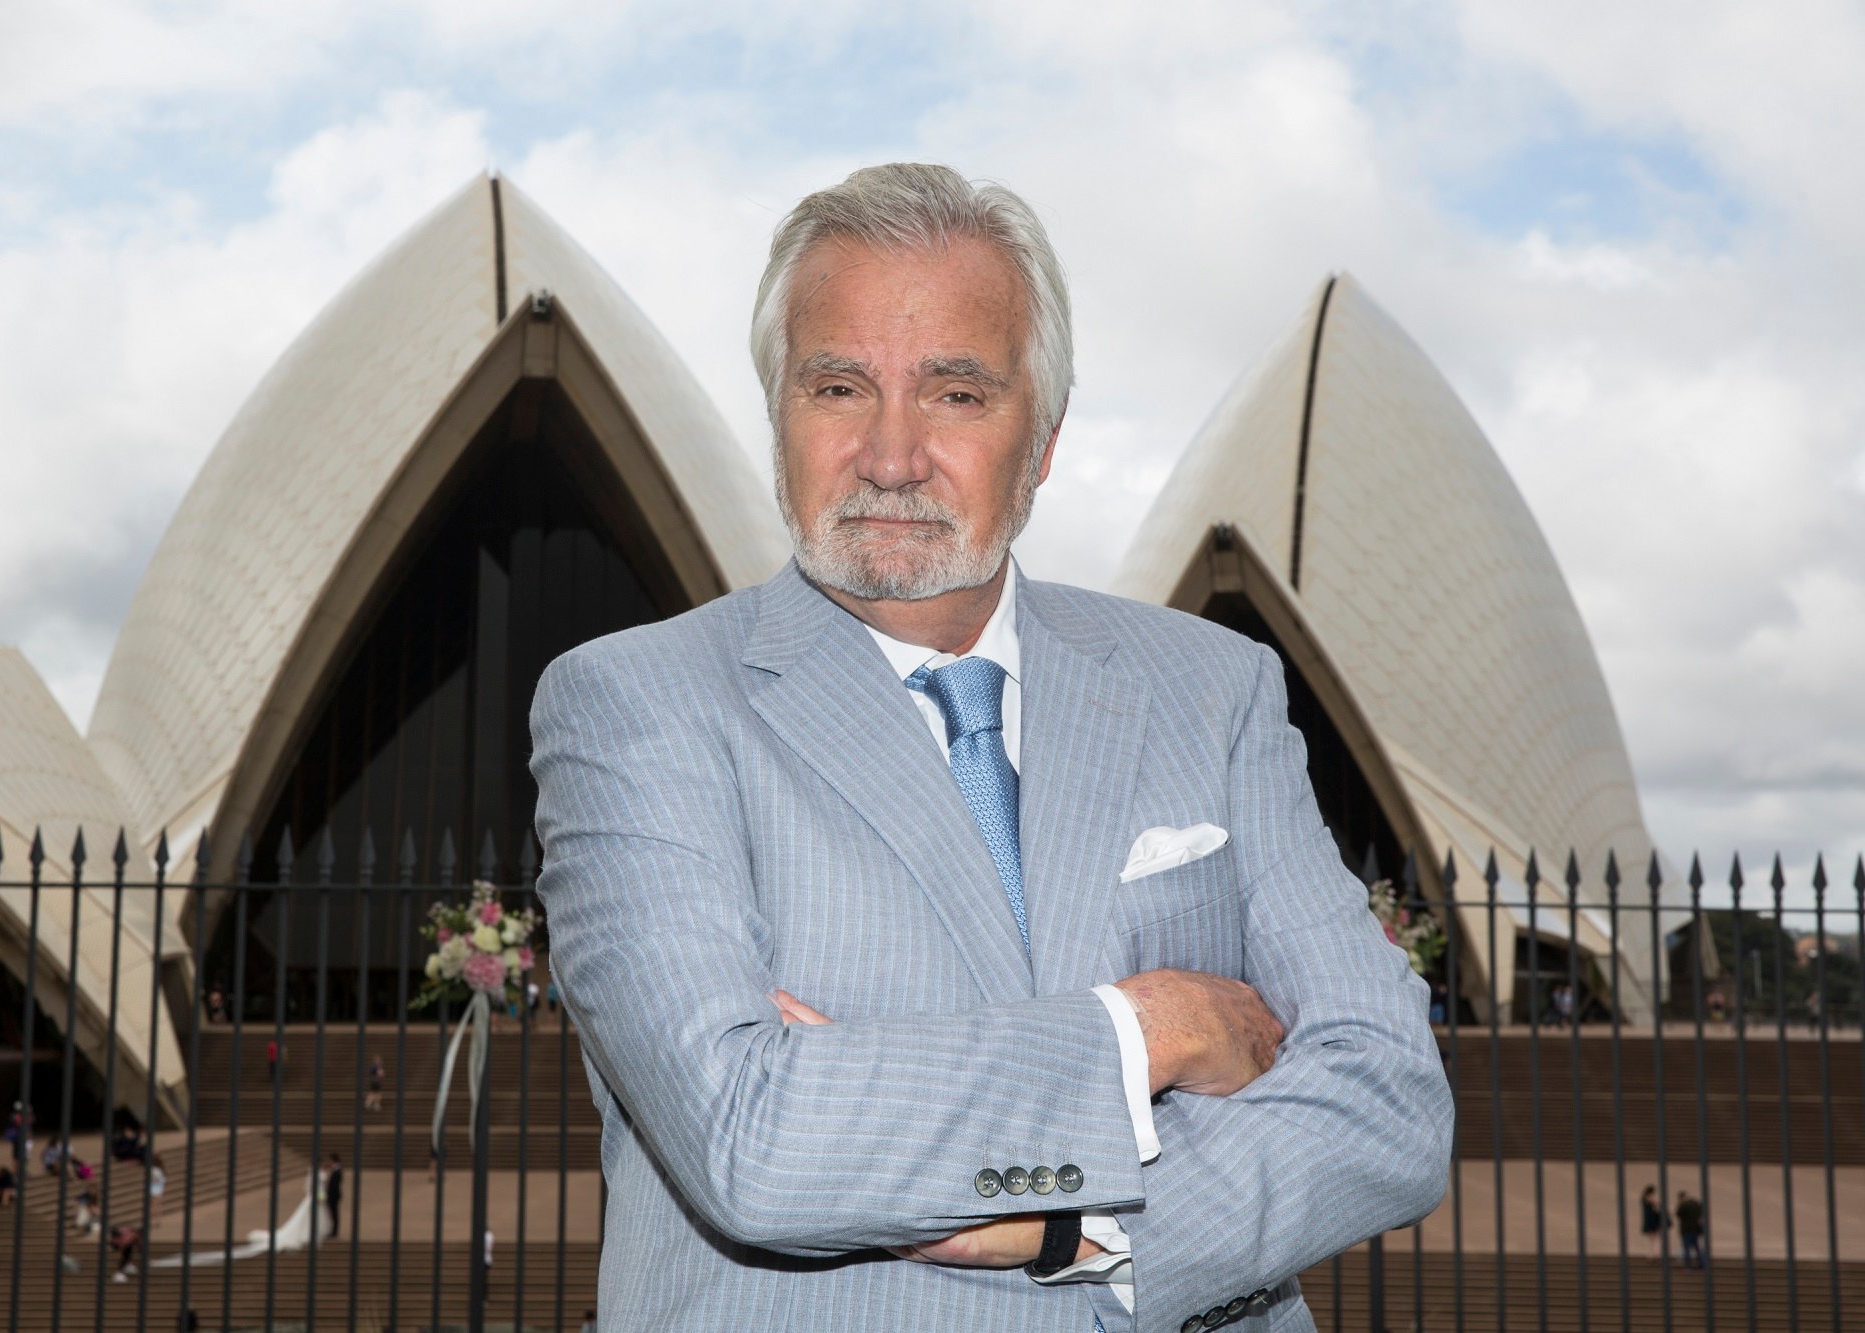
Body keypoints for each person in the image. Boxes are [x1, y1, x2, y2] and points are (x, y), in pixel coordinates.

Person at [529, 163, 1454, 1331]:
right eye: (836, 387)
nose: (891, 453)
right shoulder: (633, 703)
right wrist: (1147, 1031)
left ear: (1044, 439)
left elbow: (1390, 1097)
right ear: (776, 414)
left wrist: (1091, 1232)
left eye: (956, 393)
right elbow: (751, 1139)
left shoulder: (1210, 687)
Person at [1675, 1191, 1707, 1269]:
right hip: (1695, 1229)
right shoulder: (1695, 1203)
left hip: (1686, 1229)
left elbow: (1678, 1214)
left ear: (1681, 1198)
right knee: (1697, 1247)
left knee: (1686, 1248)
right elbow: (1701, 1212)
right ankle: (1701, 1263)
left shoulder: (1683, 1205)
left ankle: (1688, 1265)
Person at [1639, 1185, 1665, 1258]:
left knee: (1651, 1239)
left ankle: (1651, 1254)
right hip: (1653, 1221)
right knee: (1656, 1239)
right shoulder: (1652, 1200)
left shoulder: (1643, 1199)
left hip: (1647, 1221)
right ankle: (1656, 1253)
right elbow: (1657, 1210)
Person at [323, 1154, 344, 1238]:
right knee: (333, 1213)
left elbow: (335, 1185)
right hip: (333, 1195)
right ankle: (333, 1231)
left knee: (334, 1213)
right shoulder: (336, 1169)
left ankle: (334, 1231)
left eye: (331, 1160)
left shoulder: (338, 1170)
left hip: (333, 1195)